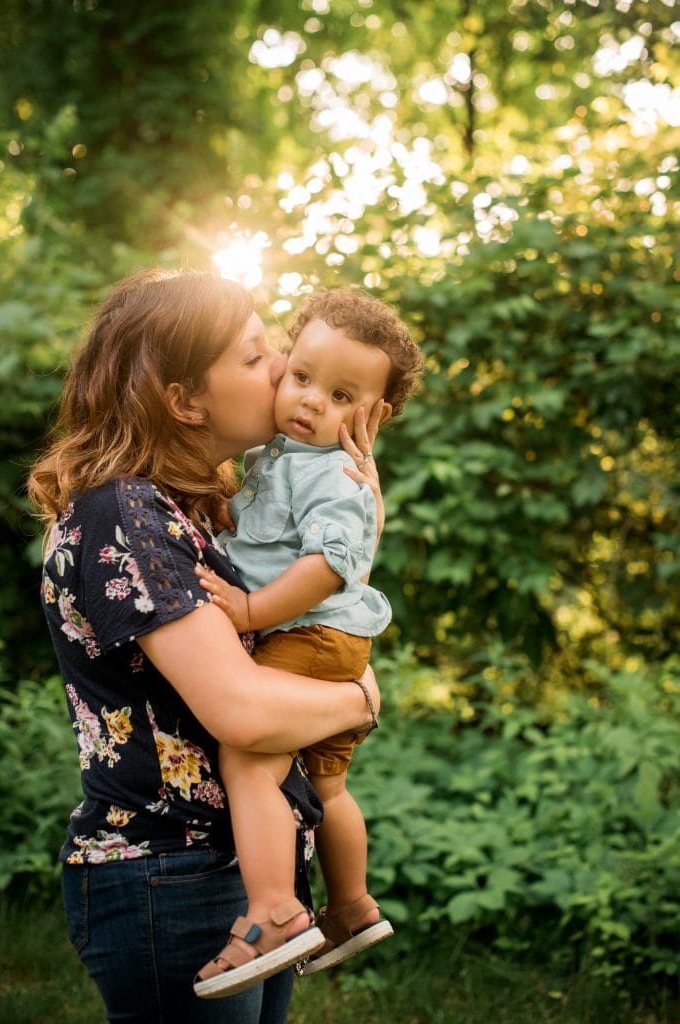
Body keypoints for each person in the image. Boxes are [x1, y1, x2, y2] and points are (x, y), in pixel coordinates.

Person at [27, 269, 383, 1024]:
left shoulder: (188, 507)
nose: (283, 370)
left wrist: (350, 494)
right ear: (185, 400)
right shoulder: (127, 513)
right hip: (168, 868)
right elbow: (244, 715)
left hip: (228, 865)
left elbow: (317, 601)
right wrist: (358, 699)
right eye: (256, 357)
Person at [192, 289, 423, 999]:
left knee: (249, 761)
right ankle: (351, 908)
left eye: (342, 394)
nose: (312, 401)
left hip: (310, 633)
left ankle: (272, 915)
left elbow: (325, 568)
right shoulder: (283, 455)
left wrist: (253, 607)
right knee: (327, 783)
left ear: (372, 416)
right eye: (301, 377)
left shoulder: (333, 474)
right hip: (333, 643)